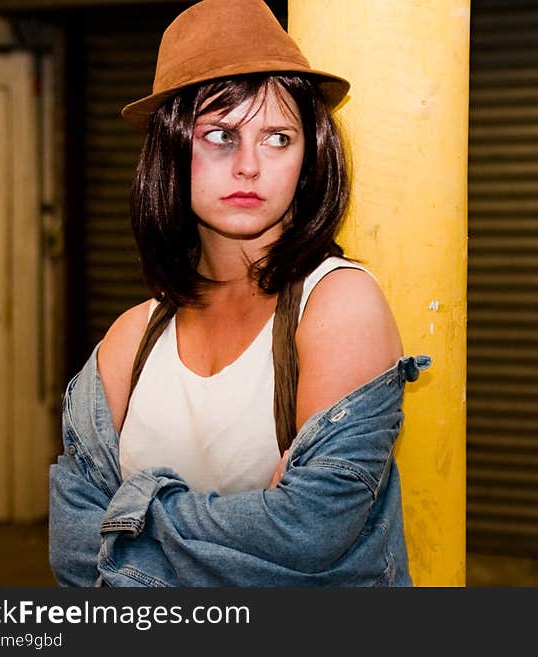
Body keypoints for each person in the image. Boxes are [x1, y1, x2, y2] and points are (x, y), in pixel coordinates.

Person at [48, 0, 429, 586]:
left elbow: (308, 537)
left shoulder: (336, 306)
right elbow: (72, 552)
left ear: (308, 159)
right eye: (221, 135)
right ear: (170, 150)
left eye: (278, 137)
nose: (250, 165)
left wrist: (128, 518)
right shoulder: (132, 339)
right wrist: (243, 531)